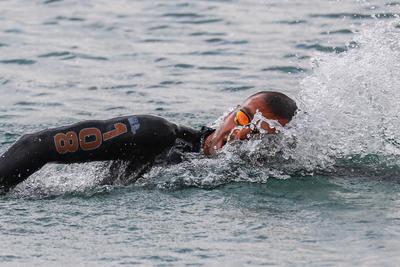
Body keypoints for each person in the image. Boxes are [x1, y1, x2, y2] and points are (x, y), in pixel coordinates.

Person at [0, 91, 297, 192]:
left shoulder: (260, 172)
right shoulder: (156, 134)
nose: (241, 133)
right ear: (231, 111)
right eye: (244, 119)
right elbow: (35, 144)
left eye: (259, 133)